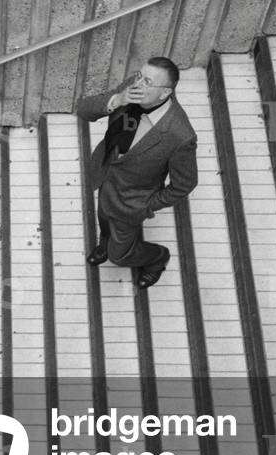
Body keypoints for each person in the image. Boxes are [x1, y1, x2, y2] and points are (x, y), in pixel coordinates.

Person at [75, 56, 197, 289]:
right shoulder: (132, 90)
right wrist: (116, 100)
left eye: (147, 81)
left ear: (164, 94)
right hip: (105, 179)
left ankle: (157, 258)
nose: (138, 84)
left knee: (120, 255)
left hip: (133, 202)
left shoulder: (180, 135)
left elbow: (185, 184)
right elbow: (83, 110)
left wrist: (148, 204)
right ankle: (105, 243)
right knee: (104, 222)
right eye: (139, 75)